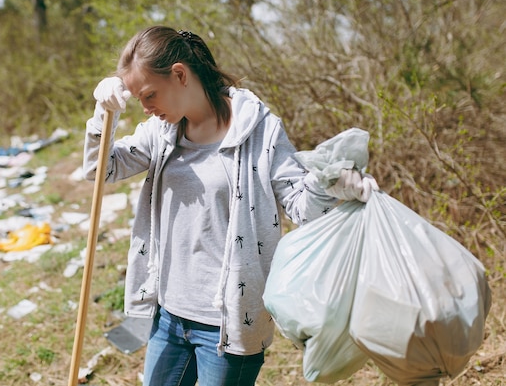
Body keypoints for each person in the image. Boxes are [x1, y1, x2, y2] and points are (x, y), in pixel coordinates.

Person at [83, 25, 378, 386]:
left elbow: (302, 207)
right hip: (169, 316)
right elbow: (101, 169)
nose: (145, 109)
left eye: (149, 95)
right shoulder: (159, 134)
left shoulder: (260, 131)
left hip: (229, 326)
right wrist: (103, 116)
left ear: (179, 75)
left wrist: (330, 183)